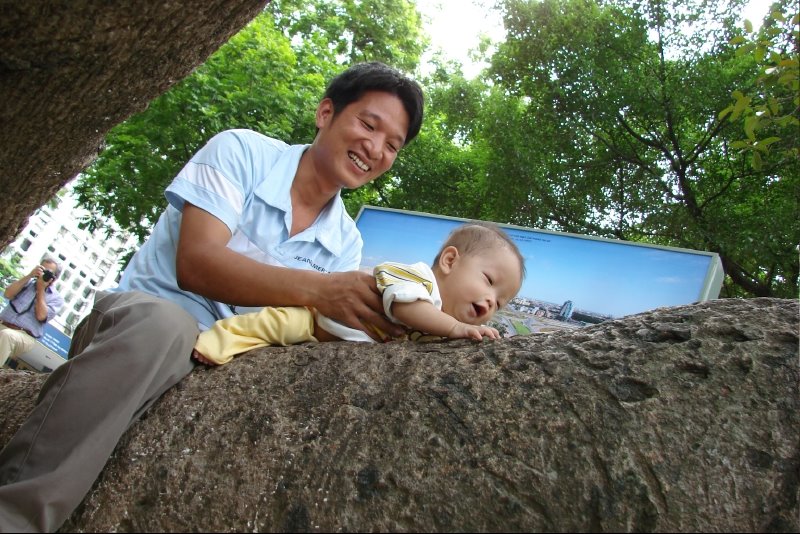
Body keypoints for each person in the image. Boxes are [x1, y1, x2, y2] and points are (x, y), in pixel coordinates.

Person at [0, 61, 424, 532]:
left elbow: (318, 324)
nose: (376, 149)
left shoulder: (347, 242)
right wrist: (322, 290)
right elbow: (196, 262)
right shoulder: (242, 152)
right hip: (140, 324)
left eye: (392, 145)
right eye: (369, 125)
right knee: (166, 327)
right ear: (326, 112)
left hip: (228, 360)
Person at [192, 223, 525, 365]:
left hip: (333, 345)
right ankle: (214, 343)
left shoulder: (439, 324)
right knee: (271, 325)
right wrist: (456, 330)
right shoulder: (419, 279)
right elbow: (408, 308)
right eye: (488, 280)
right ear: (450, 260)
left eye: (500, 301)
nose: (490, 300)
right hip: (315, 320)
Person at [0, 256, 65, 368]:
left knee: (7, 335)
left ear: (54, 278)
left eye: (48, 273)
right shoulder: (27, 282)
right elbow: (8, 294)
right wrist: (30, 275)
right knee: (5, 334)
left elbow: (41, 316)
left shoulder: (57, 299)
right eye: (42, 269)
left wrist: (41, 289)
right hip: (3, 324)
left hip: (24, 336)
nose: (43, 274)